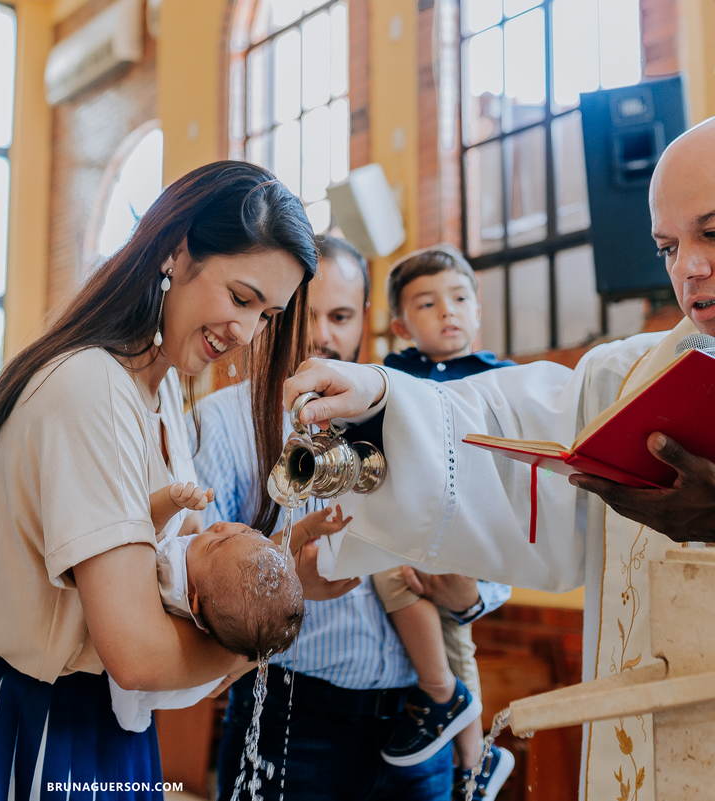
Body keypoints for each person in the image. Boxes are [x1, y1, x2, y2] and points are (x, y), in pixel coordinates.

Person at [280, 119, 715, 800]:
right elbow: (509, 430)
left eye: (712, 233)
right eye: (667, 246)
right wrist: (382, 400)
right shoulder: (633, 380)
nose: (689, 266)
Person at [0, 162, 320, 801]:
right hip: (33, 723)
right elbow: (138, 652)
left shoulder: (163, 390)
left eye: (267, 315)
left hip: (106, 722)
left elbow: (179, 573)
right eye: (241, 298)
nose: (245, 333)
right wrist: (263, 638)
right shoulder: (92, 387)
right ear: (178, 251)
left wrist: (285, 574)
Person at [196, 234, 509, 801]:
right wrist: (284, 581)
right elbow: (193, 589)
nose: (322, 335)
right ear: (276, 315)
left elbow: (493, 532)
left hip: (420, 723)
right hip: (294, 715)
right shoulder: (221, 423)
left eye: (340, 316)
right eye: (305, 316)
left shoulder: (414, 411)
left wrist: (470, 595)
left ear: (365, 317)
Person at [373, 244, 514, 796]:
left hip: (468, 524)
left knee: (458, 636)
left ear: (477, 308)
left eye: (458, 299)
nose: (447, 312)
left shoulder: (499, 378)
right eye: (427, 304)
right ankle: (472, 753)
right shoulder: (392, 376)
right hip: (410, 518)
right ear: (401, 325)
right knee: (403, 586)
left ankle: (470, 750)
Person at [109, 512, 305, 733]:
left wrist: (175, 507)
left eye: (216, 543)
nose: (222, 527)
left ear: (193, 597)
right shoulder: (223, 605)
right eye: (248, 531)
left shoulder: (170, 575)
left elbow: (143, 529)